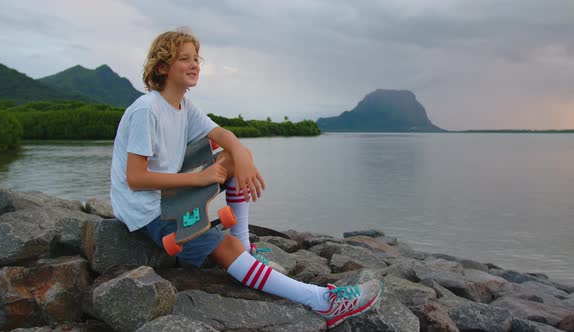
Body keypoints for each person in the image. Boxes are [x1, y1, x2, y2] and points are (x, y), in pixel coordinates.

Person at [110, 28, 384, 329]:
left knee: (232, 158)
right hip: (148, 211)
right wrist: (198, 179)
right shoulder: (147, 110)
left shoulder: (184, 105)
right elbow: (135, 178)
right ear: (162, 67)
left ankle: (244, 246)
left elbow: (226, 137)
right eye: (184, 59)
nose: (194, 65)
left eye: (196, 58)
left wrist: (243, 156)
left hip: (169, 195)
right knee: (225, 249)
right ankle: (324, 302)